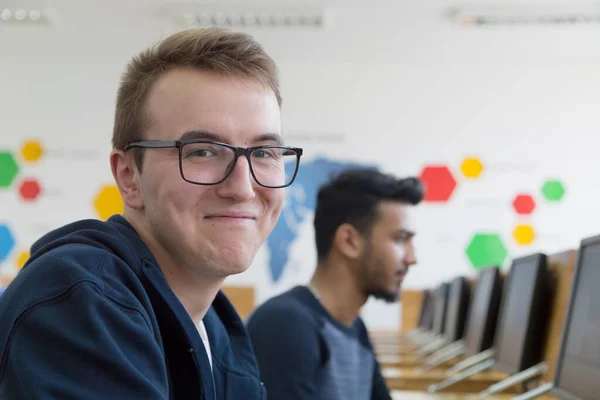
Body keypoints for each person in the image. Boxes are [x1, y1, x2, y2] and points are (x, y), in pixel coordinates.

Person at [0, 28, 303, 399]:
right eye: (202, 151)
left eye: (264, 153)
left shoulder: (215, 325)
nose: (242, 187)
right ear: (129, 176)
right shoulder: (79, 302)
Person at [246, 168, 424, 399]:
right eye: (400, 239)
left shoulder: (353, 326)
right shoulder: (286, 325)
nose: (412, 258)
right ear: (349, 241)